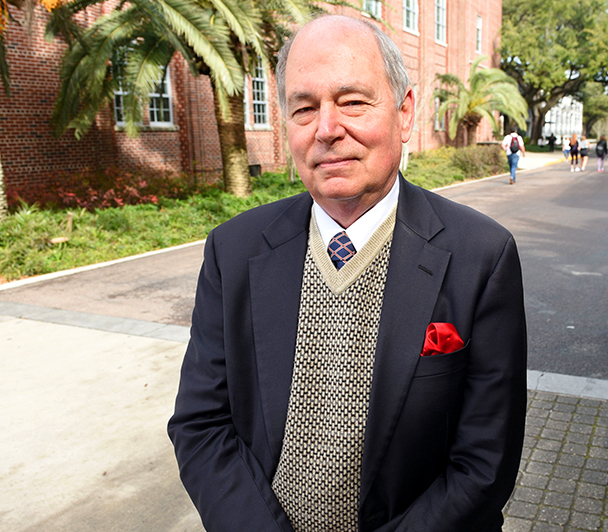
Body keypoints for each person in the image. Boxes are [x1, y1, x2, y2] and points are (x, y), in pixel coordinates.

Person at [167, 15, 527, 532]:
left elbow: (484, 464)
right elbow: (201, 424)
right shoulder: (235, 250)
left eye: (353, 102)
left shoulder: (482, 257)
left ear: (404, 113)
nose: (328, 129)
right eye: (304, 108)